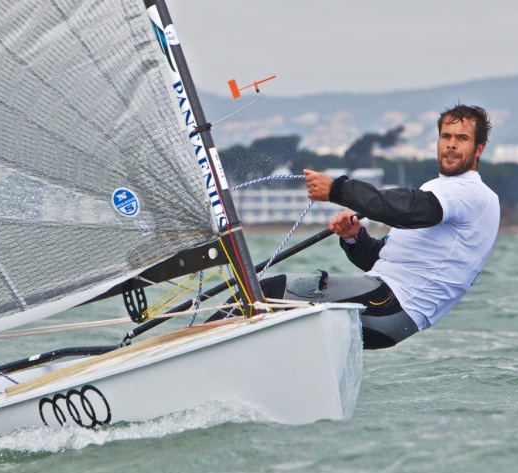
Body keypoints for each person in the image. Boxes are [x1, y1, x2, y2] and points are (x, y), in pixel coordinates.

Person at [214, 104, 500, 349]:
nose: (451, 144)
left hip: (391, 305)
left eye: (461, 138)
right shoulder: (439, 188)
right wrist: (355, 239)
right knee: (273, 318)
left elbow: (411, 209)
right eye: (445, 136)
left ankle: (194, 348)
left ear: (479, 149)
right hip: (387, 300)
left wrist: (337, 189)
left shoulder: (471, 193)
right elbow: (383, 260)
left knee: (268, 291)